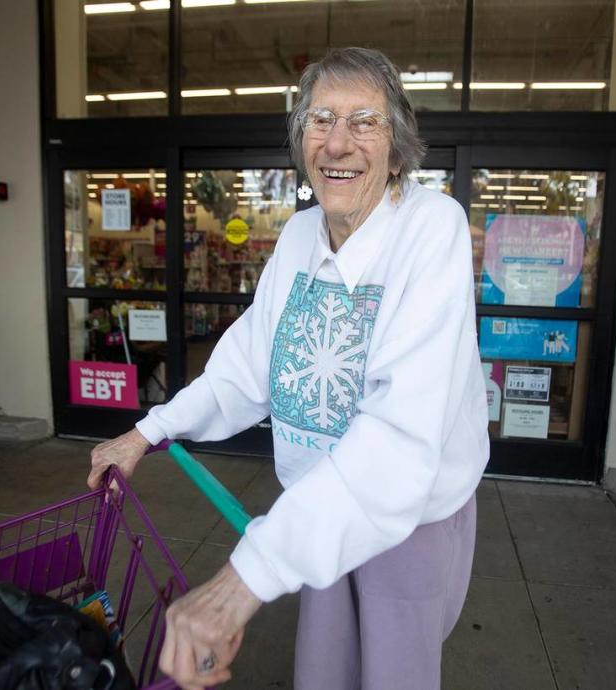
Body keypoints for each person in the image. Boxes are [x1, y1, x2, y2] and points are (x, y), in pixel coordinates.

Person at [87, 46, 490, 690]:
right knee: (322, 674)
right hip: (313, 513)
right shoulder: (301, 236)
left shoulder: (431, 230)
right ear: (300, 139)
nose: (338, 143)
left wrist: (242, 581)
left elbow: (398, 440)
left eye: (364, 120)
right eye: (320, 119)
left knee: (394, 678)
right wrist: (148, 431)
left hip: (407, 520)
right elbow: (247, 367)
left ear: (397, 145)